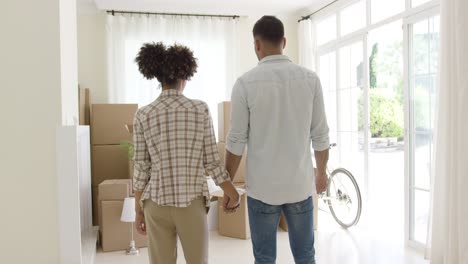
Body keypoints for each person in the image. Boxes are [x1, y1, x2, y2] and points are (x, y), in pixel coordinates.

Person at [223, 16, 330, 264]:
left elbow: (236, 140)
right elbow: (321, 135)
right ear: (284, 41)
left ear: (256, 45)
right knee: (305, 256)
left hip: (262, 189)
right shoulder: (310, 79)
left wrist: (227, 185)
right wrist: (321, 173)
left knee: (264, 258)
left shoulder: (244, 84)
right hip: (300, 186)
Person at [132, 42, 240, 264]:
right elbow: (211, 161)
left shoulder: (143, 114)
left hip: (156, 203)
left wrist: (138, 209)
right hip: (190, 202)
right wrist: (232, 192)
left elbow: (141, 167)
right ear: (184, 76)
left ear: (158, 79)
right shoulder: (199, 109)